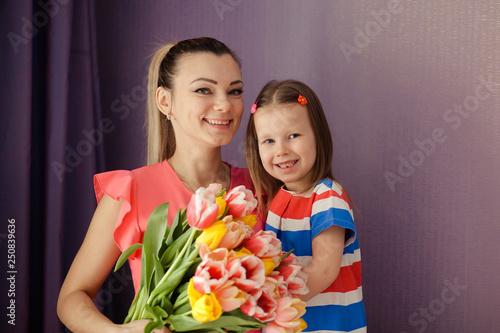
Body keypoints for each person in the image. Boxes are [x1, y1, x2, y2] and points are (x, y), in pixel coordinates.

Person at [57, 37, 262, 333]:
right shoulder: (130, 191)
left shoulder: (261, 188)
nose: (224, 104)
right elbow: (71, 298)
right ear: (165, 101)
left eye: (235, 91)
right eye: (204, 89)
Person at [245, 80, 367, 333]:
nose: (281, 150)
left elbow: (323, 270)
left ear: (317, 136)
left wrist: (270, 305)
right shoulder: (279, 199)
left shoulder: (327, 197)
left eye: (293, 136)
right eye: (268, 141)